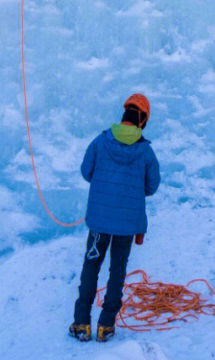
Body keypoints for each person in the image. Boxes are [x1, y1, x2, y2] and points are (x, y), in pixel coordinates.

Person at [70, 93, 160, 343]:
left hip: (99, 221)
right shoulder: (145, 151)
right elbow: (152, 186)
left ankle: (81, 323)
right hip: (127, 224)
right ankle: (105, 326)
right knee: (117, 270)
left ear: (124, 115)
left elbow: (86, 171)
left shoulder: (101, 141)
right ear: (143, 121)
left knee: (91, 265)